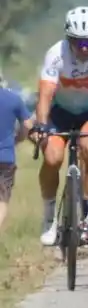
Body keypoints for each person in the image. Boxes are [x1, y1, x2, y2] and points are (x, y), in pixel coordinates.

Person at [32, 7, 88, 245]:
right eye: (78, 42)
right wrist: (40, 124)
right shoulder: (56, 54)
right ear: (68, 38)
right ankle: (49, 218)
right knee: (52, 158)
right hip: (60, 112)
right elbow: (45, 96)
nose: (84, 48)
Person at [0, 84, 31, 232]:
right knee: (2, 198)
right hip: (5, 157)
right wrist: (18, 139)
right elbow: (27, 125)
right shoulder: (14, 99)